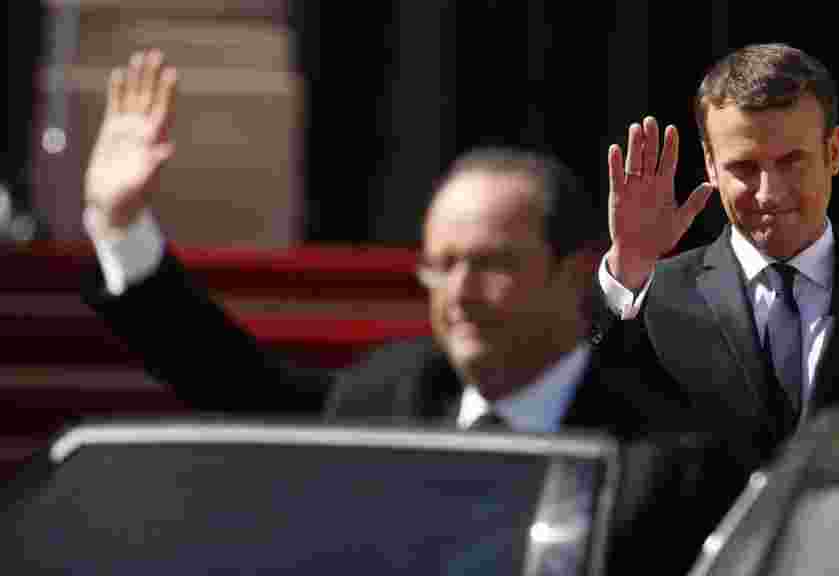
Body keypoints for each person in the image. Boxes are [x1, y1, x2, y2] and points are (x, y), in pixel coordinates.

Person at [79, 50, 719, 572]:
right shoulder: (393, 399)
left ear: (572, 271)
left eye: (493, 264)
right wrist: (121, 227)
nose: (459, 293)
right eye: (442, 264)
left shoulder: (663, 447)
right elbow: (236, 384)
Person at [592, 42, 839, 503]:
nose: (769, 194)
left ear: (833, 152)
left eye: (791, 162)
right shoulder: (653, 296)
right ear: (711, 166)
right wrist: (629, 269)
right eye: (744, 168)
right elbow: (585, 414)